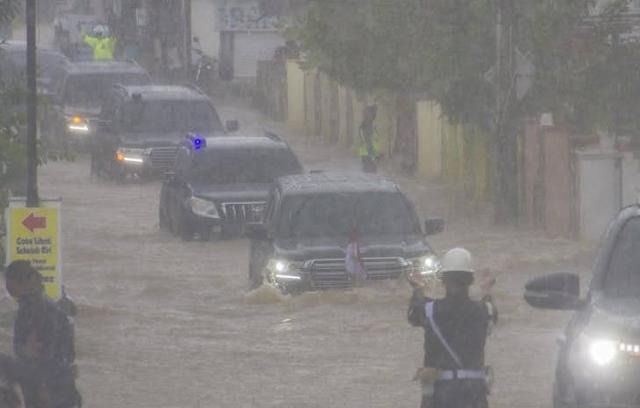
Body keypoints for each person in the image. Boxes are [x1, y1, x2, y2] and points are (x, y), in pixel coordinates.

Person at [408, 248, 497, 408]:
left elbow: (413, 315)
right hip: (474, 394)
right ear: (470, 280)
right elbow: (492, 314)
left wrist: (418, 287)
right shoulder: (483, 310)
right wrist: (487, 289)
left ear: (443, 281)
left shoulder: (430, 310)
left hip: (440, 396)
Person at [4, 261, 80, 408]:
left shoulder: (34, 308)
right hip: (60, 381)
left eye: (8, 283)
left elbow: (46, 351)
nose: (7, 288)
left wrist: (43, 386)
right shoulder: (44, 304)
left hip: (49, 384)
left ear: (20, 282)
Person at [357, 105, 382, 173]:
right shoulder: (366, 124)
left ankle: (369, 168)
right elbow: (364, 135)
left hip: (369, 148)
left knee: (368, 161)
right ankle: (369, 168)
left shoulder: (367, 124)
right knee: (368, 160)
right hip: (368, 148)